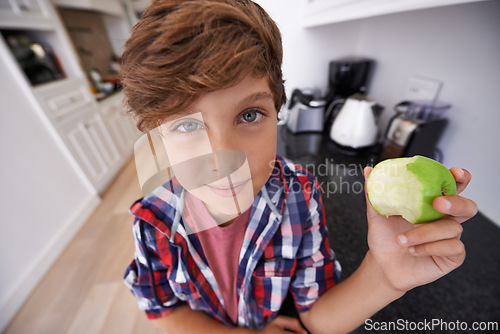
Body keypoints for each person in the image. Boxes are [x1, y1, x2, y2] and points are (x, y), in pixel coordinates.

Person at [121, 1, 478, 333]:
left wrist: (385, 275)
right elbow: (164, 310)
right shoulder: (154, 222)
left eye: (249, 115)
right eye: (186, 125)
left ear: (278, 113)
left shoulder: (300, 196)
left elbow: (317, 316)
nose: (222, 158)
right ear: (157, 135)